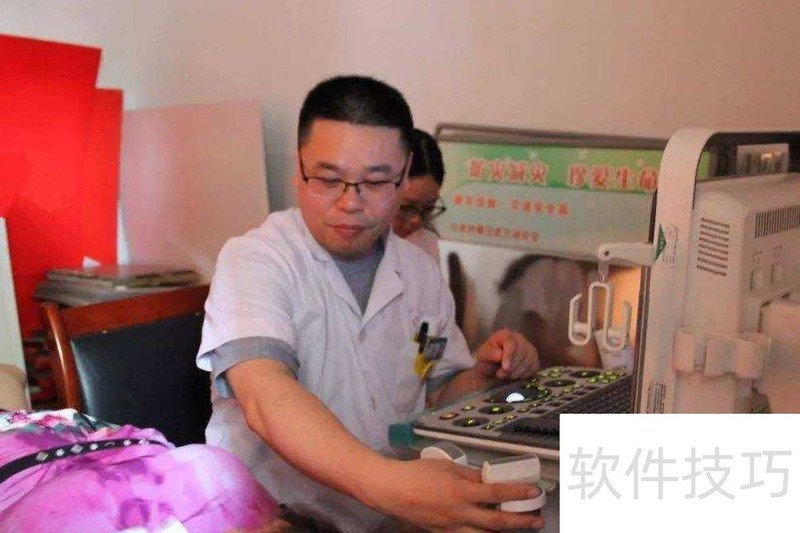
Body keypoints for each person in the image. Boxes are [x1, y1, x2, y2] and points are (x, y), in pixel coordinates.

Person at [197, 75, 544, 532]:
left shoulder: (418, 270)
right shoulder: (257, 259)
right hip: (276, 516)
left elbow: (435, 396)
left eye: (377, 182)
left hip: (386, 516)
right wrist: (390, 485)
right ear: (298, 170)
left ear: (403, 175)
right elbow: (265, 396)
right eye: (328, 179)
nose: (350, 203)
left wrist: (486, 373)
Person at [391, 128, 446, 261]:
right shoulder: (347, 240)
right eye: (407, 208)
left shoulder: (427, 246)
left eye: (428, 209)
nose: (416, 220)